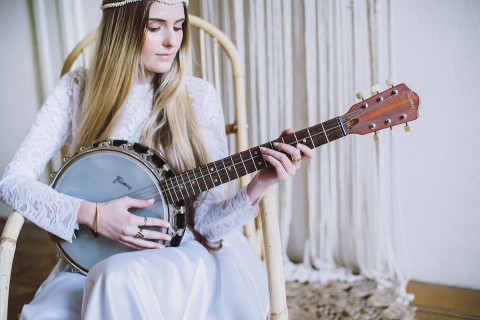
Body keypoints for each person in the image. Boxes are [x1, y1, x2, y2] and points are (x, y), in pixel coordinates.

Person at [0, 0, 313, 319]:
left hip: (174, 257)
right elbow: (12, 182)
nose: (172, 41)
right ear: (121, 29)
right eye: (155, 27)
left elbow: (207, 225)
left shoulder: (198, 96)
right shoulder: (77, 88)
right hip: (91, 256)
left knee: (115, 278)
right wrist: (95, 215)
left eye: (178, 26)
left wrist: (258, 185)